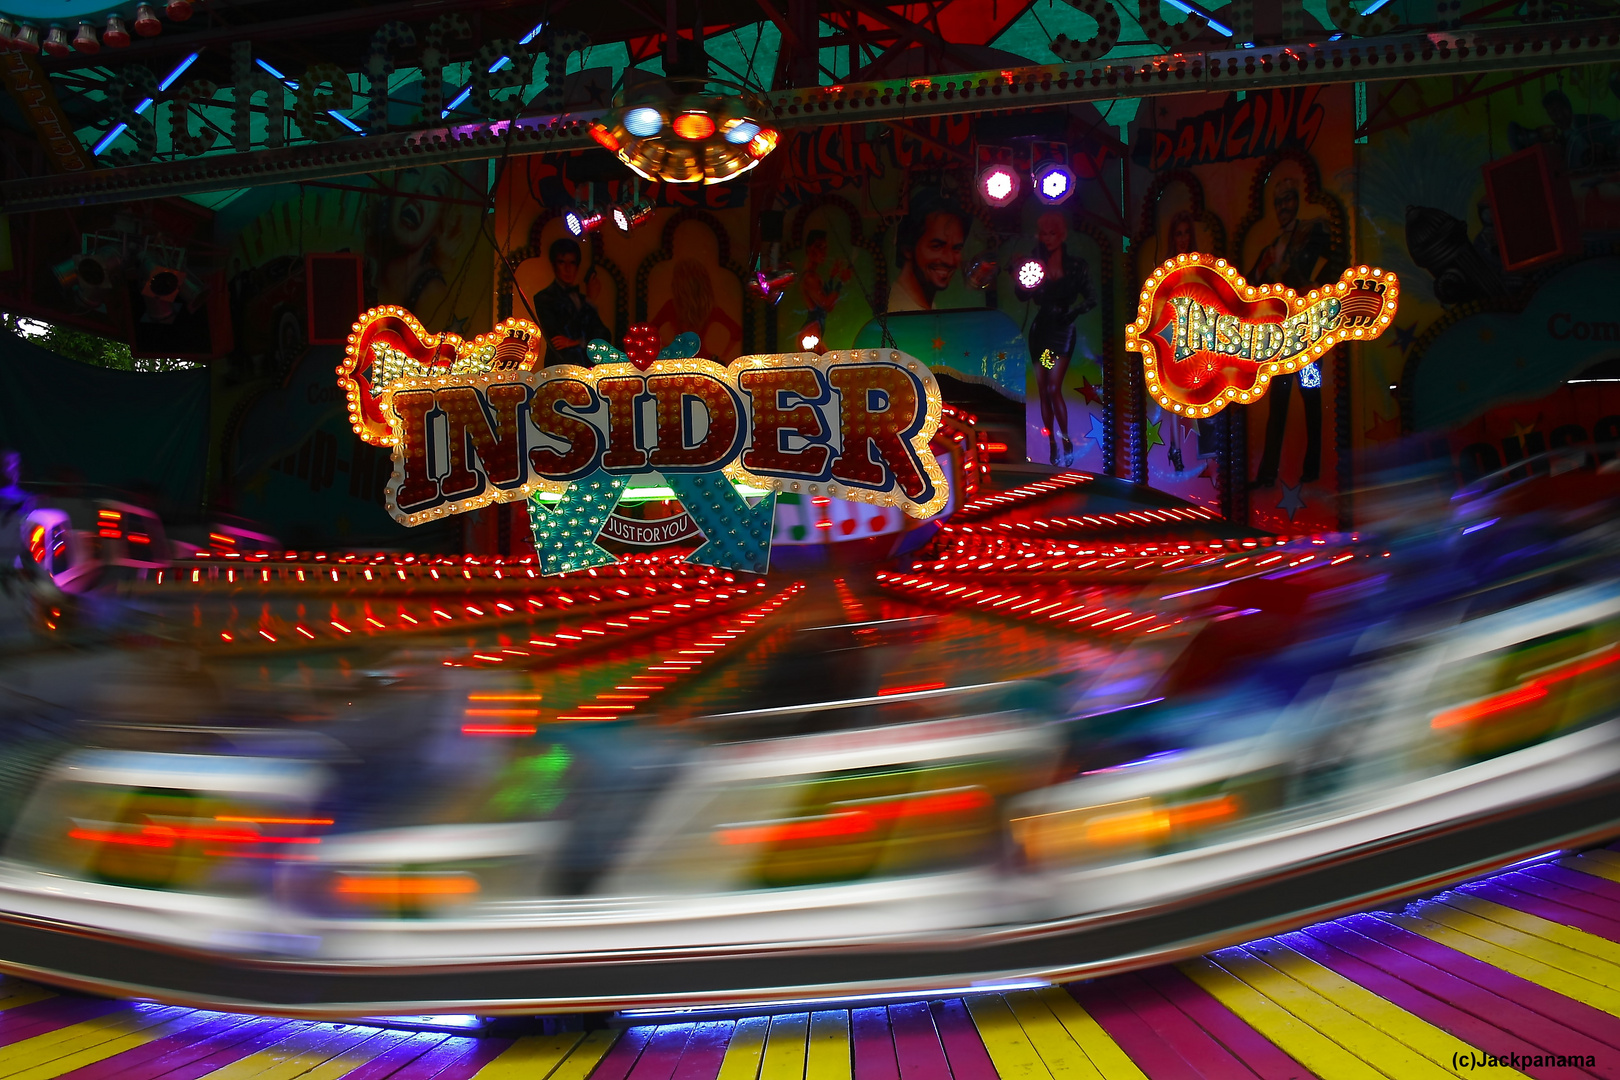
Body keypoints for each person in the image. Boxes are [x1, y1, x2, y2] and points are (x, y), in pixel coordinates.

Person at [1247, 178, 1337, 488]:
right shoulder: (1270, 249)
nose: (1284, 207)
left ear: (1297, 201)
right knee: (1279, 402)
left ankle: (1312, 469)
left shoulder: (1313, 230)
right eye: (1279, 202)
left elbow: (1336, 260)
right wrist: (1263, 271)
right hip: (1283, 342)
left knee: (1311, 397)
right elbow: (1248, 285)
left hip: (1309, 336)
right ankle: (1268, 474)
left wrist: (1318, 286)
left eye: (1288, 200)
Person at [1018, 212, 1095, 466]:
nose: (1048, 238)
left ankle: (1065, 440)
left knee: (1052, 387)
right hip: (1041, 329)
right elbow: (1022, 295)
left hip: (1061, 332)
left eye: (1053, 233)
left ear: (1061, 235)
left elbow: (1091, 298)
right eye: (1044, 233)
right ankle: (1052, 442)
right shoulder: (1034, 264)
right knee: (1043, 389)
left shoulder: (1075, 265)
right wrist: (1017, 272)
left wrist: (1072, 313)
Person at [533, 237, 612, 368]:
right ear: (554, 265)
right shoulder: (544, 297)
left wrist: (575, 342)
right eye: (562, 262)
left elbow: (603, 335)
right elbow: (560, 336)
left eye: (572, 263)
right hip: (559, 368)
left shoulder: (582, 299)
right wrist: (590, 301)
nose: (568, 269)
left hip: (586, 368)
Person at [888, 190, 969, 312]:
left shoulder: (925, 307)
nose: (949, 260)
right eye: (937, 246)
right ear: (907, 249)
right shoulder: (896, 312)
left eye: (956, 249)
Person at [651, 259, 742, 360]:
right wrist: (722, 357)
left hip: (677, 361)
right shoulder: (711, 309)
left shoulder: (671, 306)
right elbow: (737, 332)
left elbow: (650, 330)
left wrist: (668, 346)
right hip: (703, 361)